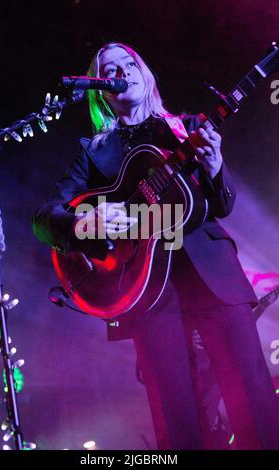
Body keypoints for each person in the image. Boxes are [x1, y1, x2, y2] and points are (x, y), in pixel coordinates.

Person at [33, 42, 279, 450]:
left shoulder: (188, 127)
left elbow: (223, 204)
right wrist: (83, 221)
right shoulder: (93, 151)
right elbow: (44, 219)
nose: (122, 71)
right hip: (145, 290)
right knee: (176, 419)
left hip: (212, 275)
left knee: (253, 404)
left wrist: (215, 167)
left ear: (145, 75)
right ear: (100, 89)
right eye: (109, 68)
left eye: (130, 63)